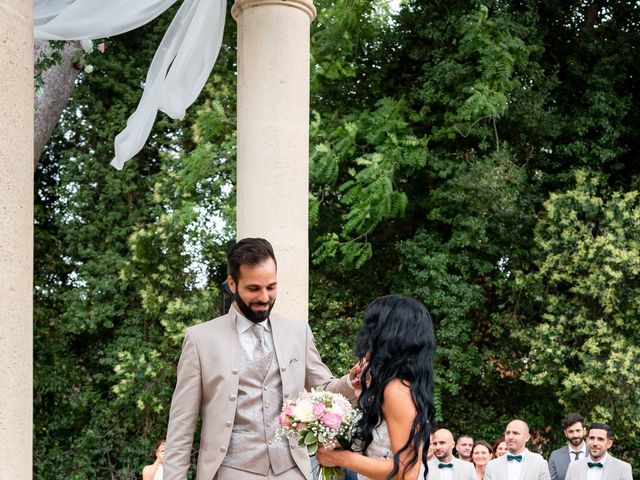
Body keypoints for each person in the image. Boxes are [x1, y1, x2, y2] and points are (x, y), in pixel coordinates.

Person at [163, 238, 360, 480]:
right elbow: (181, 427)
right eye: (254, 289)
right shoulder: (200, 339)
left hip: (292, 471)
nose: (265, 297)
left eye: (271, 287)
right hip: (230, 472)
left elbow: (325, 389)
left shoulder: (298, 332)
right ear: (233, 284)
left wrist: (351, 383)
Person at [316, 295, 436, 480]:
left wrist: (339, 458)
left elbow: (406, 472)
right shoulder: (399, 386)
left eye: (371, 326)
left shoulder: (396, 389)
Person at [484, 419, 550, 480]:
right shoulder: (491, 466)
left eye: (515, 433)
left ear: (527, 437)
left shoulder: (540, 464)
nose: (510, 437)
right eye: (507, 433)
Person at [565, 423, 632, 480]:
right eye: (592, 438)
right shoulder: (573, 466)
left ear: (609, 444)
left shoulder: (623, 468)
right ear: (587, 441)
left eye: (600, 439)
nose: (595, 443)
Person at [548, 413, 589, 480]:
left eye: (578, 430)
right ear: (565, 433)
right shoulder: (555, 456)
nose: (575, 435)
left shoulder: (595, 454)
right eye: (571, 431)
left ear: (584, 431)